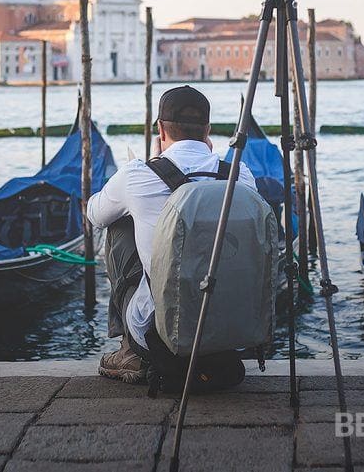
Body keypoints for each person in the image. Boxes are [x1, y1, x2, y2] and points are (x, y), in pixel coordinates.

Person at [87, 85, 257, 383]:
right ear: (208, 130)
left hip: (160, 330)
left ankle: (129, 348)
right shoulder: (240, 175)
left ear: (161, 130)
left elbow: (94, 214)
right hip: (232, 327)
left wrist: (150, 171)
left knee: (118, 224)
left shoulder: (138, 174)